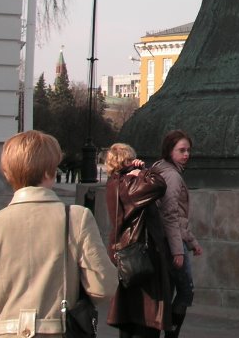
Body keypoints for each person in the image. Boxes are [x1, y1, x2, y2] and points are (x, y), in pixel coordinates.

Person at [0, 131, 117, 336]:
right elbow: (104, 286)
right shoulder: (76, 218)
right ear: (49, 172)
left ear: (7, 173)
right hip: (57, 330)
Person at [104, 143, 172, 338]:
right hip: (139, 252)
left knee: (129, 312)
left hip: (125, 251)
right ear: (126, 161)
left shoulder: (113, 183)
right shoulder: (129, 184)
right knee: (143, 313)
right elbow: (159, 185)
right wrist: (143, 171)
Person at [152, 129, 203, 338]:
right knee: (185, 291)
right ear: (169, 151)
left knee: (170, 289)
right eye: (181, 150)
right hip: (173, 243)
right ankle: (171, 333)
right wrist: (179, 251)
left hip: (170, 240)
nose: (186, 154)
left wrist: (192, 241)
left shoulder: (158, 169)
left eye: (188, 150)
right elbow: (170, 215)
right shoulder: (172, 176)